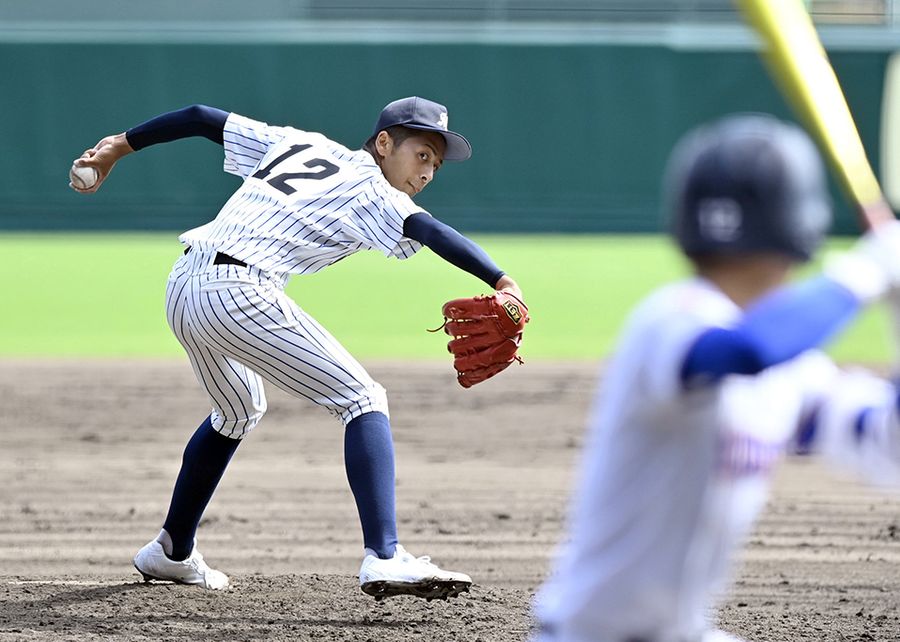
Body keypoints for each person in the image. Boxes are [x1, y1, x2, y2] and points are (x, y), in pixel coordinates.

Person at [71, 96, 524, 600]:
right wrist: (501, 280)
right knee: (362, 398)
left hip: (183, 284)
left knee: (238, 409)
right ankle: (385, 555)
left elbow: (199, 116)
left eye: (436, 165)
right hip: (237, 290)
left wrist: (118, 147)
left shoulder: (299, 143)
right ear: (383, 143)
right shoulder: (373, 190)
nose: (428, 172)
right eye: (421, 154)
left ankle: (171, 550)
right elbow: (429, 229)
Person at [532, 113, 900, 642]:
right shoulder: (672, 320)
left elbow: (885, 438)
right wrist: (866, 272)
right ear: (802, 224)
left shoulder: (794, 373)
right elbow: (748, 350)